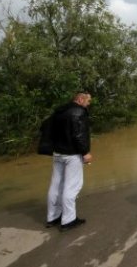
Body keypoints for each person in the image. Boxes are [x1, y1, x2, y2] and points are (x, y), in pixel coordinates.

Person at [45, 92, 93, 231]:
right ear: (80, 99)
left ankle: (52, 217)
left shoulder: (59, 111)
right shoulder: (79, 111)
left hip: (57, 153)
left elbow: (47, 129)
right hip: (72, 154)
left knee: (56, 185)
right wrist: (85, 153)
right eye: (88, 101)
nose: (88, 104)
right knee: (72, 186)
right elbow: (79, 134)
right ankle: (68, 220)